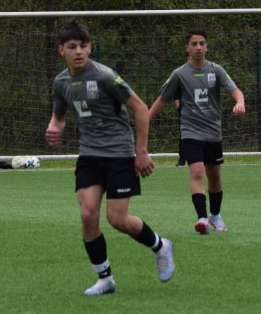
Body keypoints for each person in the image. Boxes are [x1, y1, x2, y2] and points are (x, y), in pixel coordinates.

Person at [46, 20, 175, 296]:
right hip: (89, 154)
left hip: (119, 153)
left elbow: (140, 109)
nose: (78, 51)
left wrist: (141, 152)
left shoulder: (105, 76)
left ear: (90, 48)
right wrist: (54, 127)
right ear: (61, 50)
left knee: (117, 219)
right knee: (87, 214)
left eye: (83, 46)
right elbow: (59, 116)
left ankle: (160, 246)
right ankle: (105, 279)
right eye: (72, 47)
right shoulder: (61, 82)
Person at [149, 29, 246, 234]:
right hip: (190, 132)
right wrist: (145, 121)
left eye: (202, 43)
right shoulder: (179, 74)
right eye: (194, 44)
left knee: (214, 175)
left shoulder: (216, 70)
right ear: (187, 48)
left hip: (213, 132)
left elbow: (236, 91)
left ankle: (215, 215)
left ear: (207, 46)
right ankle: (201, 218)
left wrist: (240, 102)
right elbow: (162, 99)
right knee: (197, 172)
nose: (198, 47)